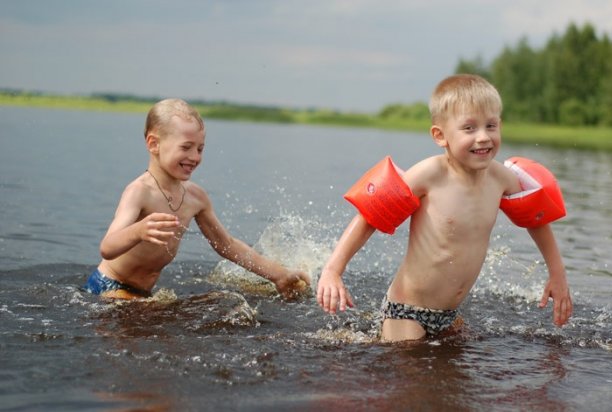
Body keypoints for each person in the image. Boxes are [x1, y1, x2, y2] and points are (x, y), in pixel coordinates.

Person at [316, 74, 572, 342]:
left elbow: (536, 219)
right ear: (440, 135)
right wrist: (333, 270)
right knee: (408, 364)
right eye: (469, 128)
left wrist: (557, 274)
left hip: (450, 314)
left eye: (491, 125)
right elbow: (370, 216)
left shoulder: (502, 179)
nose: (483, 137)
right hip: (407, 312)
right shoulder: (429, 175)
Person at [84, 98, 309, 300]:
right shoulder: (140, 191)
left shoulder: (195, 196)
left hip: (141, 294)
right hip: (109, 286)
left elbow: (226, 245)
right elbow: (107, 247)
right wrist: (138, 230)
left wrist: (279, 275)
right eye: (186, 147)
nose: (194, 157)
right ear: (154, 144)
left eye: (200, 149)